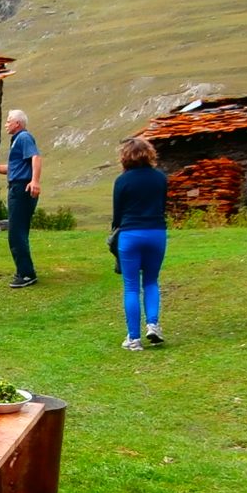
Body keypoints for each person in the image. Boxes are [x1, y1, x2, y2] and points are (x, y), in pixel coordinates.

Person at [111, 136, 168, 351]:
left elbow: (117, 215)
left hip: (130, 234)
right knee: (151, 281)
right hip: (156, 232)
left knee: (131, 286)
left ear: (125, 157)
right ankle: (153, 324)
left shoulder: (122, 181)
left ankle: (133, 339)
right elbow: (162, 205)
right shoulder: (160, 178)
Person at [0, 107, 42, 288]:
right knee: (18, 232)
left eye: (8, 121)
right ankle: (24, 270)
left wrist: (35, 181)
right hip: (17, 186)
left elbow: (36, 158)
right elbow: (12, 170)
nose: (5, 124)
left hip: (22, 189)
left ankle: (27, 274)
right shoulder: (17, 140)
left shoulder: (24, 137)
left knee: (16, 233)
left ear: (17, 123)